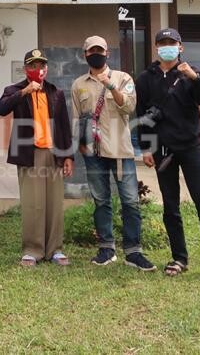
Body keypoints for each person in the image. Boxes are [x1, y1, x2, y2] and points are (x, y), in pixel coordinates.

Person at [136, 28, 200, 287]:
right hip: (162, 151)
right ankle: (179, 258)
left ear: (180, 47)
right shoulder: (146, 78)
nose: (167, 47)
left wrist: (194, 77)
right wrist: (146, 148)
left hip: (191, 148)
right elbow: (142, 116)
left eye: (172, 43)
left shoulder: (190, 73)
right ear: (156, 47)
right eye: (162, 43)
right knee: (171, 207)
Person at [72, 36, 156, 271]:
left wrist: (110, 85)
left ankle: (133, 251)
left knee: (130, 201)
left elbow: (129, 107)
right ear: (85, 54)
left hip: (120, 150)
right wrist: (80, 143)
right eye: (91, 51)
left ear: (107, 53)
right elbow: (77, 117)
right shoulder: (78, 84)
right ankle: (106, 248)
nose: (95, 54)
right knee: (101, 201)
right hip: (93, 151)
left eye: (100, 50)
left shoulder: (123, 78)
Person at [0, 49, 74, 267]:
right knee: (33, 204)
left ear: (46, 69)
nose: (38, 70)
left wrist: (68, 156)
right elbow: (1, 109)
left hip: (53, 153)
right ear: (26, 69)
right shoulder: (14, 90)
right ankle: (32, 250)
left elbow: (64, 126)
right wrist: (25, 92)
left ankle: (55, 250)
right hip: (29, 154)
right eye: (33, 66)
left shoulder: (55, 92)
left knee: (54, 203)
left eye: (41, 66)